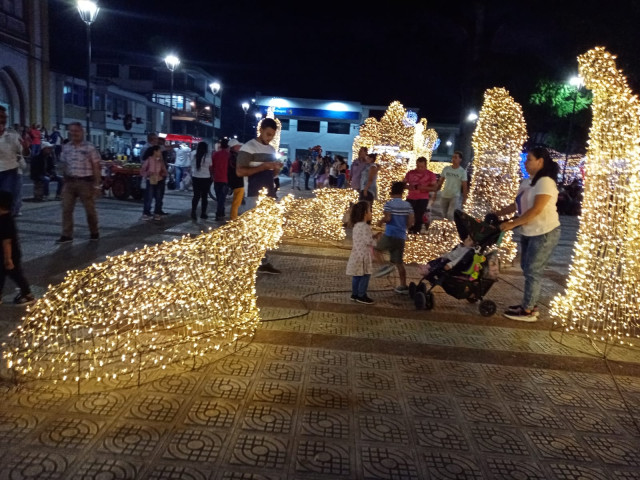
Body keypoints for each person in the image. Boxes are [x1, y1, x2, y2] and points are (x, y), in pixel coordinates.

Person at [495, 146, 561, 322]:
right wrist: (497, 214)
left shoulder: (545, 182)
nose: (526, 162)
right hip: (530, 231)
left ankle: (528, 311)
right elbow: (517, 205)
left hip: (544, 232)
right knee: (527, 267)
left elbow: (536, 209)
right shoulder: (527, 181)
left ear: (540, 161)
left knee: (533, 270)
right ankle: (529, 304)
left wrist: (512, 224)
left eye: (529, 159)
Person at [236, 117, 281, 274]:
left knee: (265, 230)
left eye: (272, 135)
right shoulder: (248, 147)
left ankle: (263, 260)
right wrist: (263, 167)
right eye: (268, 134)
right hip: (253, 193)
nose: (270, 138)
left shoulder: (270, 149)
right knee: (253, 230)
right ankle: (247, 262)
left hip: (269, 194)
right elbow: (240, 171)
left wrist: (275, 169)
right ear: (260, 130)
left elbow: (272, 174)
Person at [56, 122, 102, 243]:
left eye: (76, 131)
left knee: (90, 210)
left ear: (82, 132)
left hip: (85, 182)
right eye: (71, 131)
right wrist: (63, 182)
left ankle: (94, 231)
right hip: (70, 182)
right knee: (66, 208)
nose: (74, 133)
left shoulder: (89, 147)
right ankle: (66, 234)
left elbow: (96, 166)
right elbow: (64, 165)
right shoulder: (67, 147)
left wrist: (97, 185)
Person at [373, 181, 414, 294]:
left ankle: (385, 267)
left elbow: (388, 218)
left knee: (376, 250)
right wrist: (405, 227)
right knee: (399, 262)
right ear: (402, 192)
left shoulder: (389, 204)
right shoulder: (408, 205)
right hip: (401, 236)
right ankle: (403, 285)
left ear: (391, 192)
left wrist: (380, 222)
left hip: (390, 234)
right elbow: (411, 221)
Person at [0, 191, 35, 305]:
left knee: (15, 274)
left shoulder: (6, 221)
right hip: (5, 254)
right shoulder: (5, 218)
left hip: (10, 255)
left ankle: (27, 294)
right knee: (2, 274)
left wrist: (8, 259)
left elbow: (7, 242)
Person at [346, 200, 377, 305]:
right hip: (363, 256)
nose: (371, 213)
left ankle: (354, 294)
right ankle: (361, 295)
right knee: (365, 275)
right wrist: (376, 240)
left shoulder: (356, 226)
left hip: (356, 255)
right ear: (365, 213)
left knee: (357, 275)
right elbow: (368, 241)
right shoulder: (365, 227)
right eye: (370, 211)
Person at [0, 106, 24, 217]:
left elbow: (25, 153)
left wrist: (27, 147)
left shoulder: (13, 135)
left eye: (4, 117)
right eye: (0, 117)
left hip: (9, 171)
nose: (3, 120)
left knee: (5, 201)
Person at [405, 156, 438, 234]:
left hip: (422, 198)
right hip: (411, 197)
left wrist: (423, 187)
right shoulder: (410, 173)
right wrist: (408, 186)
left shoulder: (430, 174)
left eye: (422, 167)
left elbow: (434, 188)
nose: (419, 169)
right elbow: (403, 184)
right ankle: (409, 229)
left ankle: (416, 231)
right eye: (418, 166)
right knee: (408, 214)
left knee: (419, 215)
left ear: (426, 166)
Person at [436, 151, 468, 220]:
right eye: (453, 157)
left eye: (456, 157)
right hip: (445, 194)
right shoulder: (446, 169)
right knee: (442, 215)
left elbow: (464, 186)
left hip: (455, 195)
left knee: (451, 214)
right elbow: (441, 181)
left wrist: (464, 199)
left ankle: (450, 228)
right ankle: (443, 230)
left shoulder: (462, 172)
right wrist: (436, 191)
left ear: (460, 159)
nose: (453, 159)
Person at [140, 146, 168, 221]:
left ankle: (157, 213)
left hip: (159, 180)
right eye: (159, 151)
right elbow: (142, 171)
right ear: (154, 152)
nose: (160, 153)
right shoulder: (149, 160)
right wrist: (147, 173)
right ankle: (146, 212)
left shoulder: (160, 161)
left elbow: (165, 171)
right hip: (150, 180)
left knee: (158, 197)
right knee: (149, 197)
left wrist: (163, 173)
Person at [190, 141, 212, 221]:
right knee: (204, 196)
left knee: (196, 196)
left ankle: (193, 211)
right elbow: (210, 167)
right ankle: (203, 213)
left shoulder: (193, 155)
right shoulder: (208, 156)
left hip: (195, 177)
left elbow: (191, 165)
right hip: (206, 178)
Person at [211, 138, 231, 221]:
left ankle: (221, 212)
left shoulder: (215, 154)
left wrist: (212, 175)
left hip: (216, 179)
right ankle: (219, 213)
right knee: (222, 198)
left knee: (219, 197)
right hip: (225, 179)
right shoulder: (229, 155)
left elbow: (212, 166)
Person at [227, 139, 244, 220]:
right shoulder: (234, 156)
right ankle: (233, 218)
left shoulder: (231, 155)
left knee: (236, 201)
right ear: (234, 147)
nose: (240, 147)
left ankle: (233, 217)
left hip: (234, 180)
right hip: (238, 181)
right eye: (238, 146)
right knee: (236, 202)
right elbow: (237, 167)